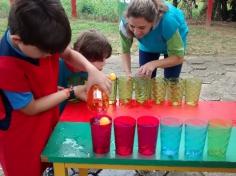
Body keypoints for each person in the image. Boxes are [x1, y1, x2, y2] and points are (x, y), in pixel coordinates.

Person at [0, 0, 111, 176]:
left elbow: (66, 53)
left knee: (54, 162)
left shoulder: (40, 38)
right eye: (48, 53)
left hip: (48, 118)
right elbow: (31, 108)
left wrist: (91, 70)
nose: (52, 56)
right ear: (17, 40)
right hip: (21, 136)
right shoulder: (5, 67)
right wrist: (72, 92)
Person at [119, 0, 188, 78]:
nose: (136, 33)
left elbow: (178, 58)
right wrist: (128, 74)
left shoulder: (168, 22)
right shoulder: (124, 25)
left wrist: (153, 64)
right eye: (132, 26)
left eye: (142, 27)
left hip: (173, 39)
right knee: (145, 79)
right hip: (148, 43)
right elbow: (125, 51)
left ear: (153, 22)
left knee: (171, 80)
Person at [59, 29, 112, 110]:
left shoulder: (91, 72)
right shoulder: (58, 67)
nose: (105, 63)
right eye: (101, 59)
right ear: (86, 57)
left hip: (80, 113)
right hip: (60, 117)